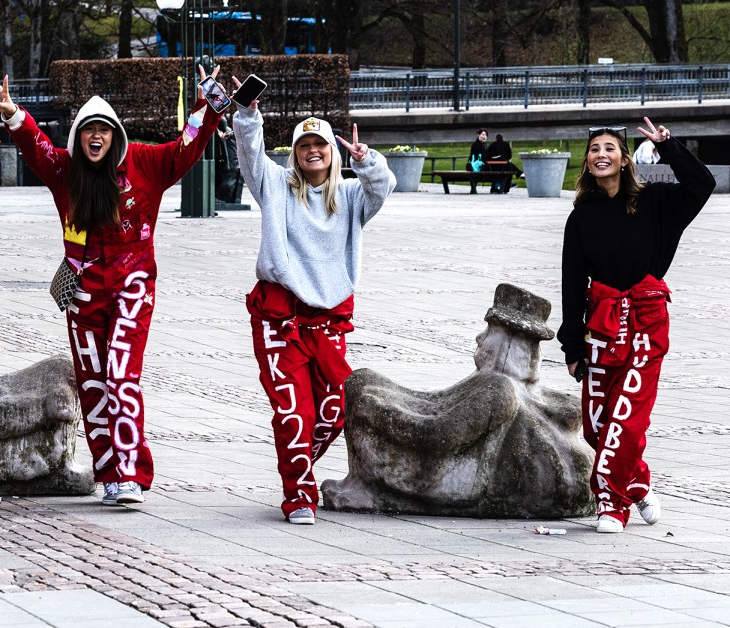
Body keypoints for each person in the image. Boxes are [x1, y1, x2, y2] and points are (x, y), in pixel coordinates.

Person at [0, 68, 225, 507]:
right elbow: (36, 147)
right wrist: (13, 114)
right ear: (78, 136)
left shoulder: (145, 164)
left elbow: (185, 149)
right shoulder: (64, 171)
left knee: (121, 373)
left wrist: (205, 105)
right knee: (93, 382)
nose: (96, 137)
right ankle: (110, 472)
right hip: (81, 291)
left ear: (115, 136)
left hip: (133, 283)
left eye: (104, 130)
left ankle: (131, 472)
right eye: (89, 130)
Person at [233, 79, 396, 524]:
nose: (312, 150)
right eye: (304, 145)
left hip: (327, 322)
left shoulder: (349, 195)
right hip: (280, 319)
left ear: (331, 151)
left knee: (334, 408)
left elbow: (383, 189)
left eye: (319, 143)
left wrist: (368, 162)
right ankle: (298, 494)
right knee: (293, 413)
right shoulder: (274, 186)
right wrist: (247, 112)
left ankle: (297, 460)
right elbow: (249, 153)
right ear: (295, 153)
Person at [558, 118, 715, 533]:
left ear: (624, 159)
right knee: (595, 426)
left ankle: (611, 502)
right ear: (587, 161)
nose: (601, 155)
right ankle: (638, 481)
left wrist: (668, 146)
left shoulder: (656, 202)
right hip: (602, 327)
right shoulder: (581, 217)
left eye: (610, 148)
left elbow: (702, 185)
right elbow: (572, 283)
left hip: (646, 322)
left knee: (625, 417)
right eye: (594, 149)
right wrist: (572, 346)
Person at [322, 284, 592, 519]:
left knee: (361, 390)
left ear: (506, 344)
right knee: (361, 381)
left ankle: (369, 490)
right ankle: (359, 483)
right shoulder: (495, 383)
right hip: (457, 461)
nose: (480, 338)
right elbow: (434, 403)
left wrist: (377, 409)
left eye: (490, 330)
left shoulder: (498, 389)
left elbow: (436, 437)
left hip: (456, 479)